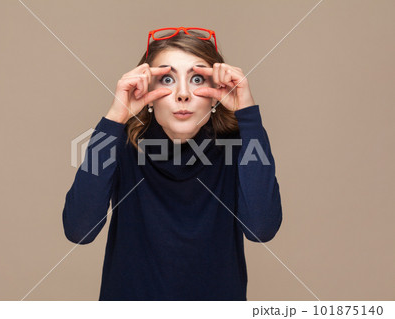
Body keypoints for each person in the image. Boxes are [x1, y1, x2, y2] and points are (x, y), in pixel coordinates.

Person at [62, 27, 283, 301]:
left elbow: (261, 229)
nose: (182, 94)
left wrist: (248, 115)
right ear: (147, 89)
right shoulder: (121, 143)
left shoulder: (238, 144)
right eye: (167, 78)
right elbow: (79, 230)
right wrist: (115, 118)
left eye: (197, 78)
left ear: (216, 92)